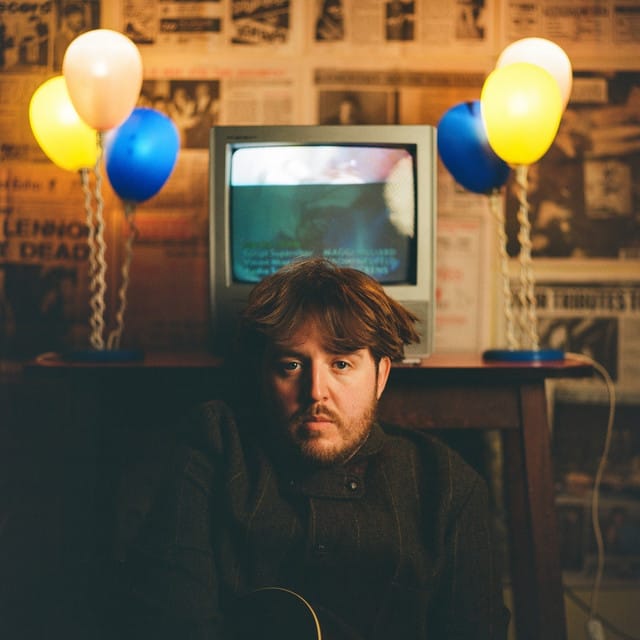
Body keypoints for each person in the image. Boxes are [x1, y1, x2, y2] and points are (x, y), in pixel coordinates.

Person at [116, 257, 510, 639]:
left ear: (381, 376)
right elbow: (172, 620)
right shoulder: (216, 446)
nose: (316, 391)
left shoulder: (449, 487)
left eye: (341, 364)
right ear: (263, 374)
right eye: (291, 365)